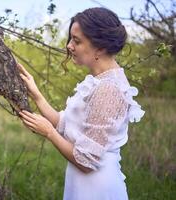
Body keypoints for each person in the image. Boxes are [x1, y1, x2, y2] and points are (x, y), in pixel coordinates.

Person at [17, 7, 145, 200]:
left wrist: (48, 132)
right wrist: (36, 95)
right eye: (71, 39)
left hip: (97, 189)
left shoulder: (109, 89)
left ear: (100, 48)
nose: (69, 46)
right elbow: (66, 126)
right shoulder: (98, 81)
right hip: (83, 185)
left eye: (76, 41)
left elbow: (86, 161)